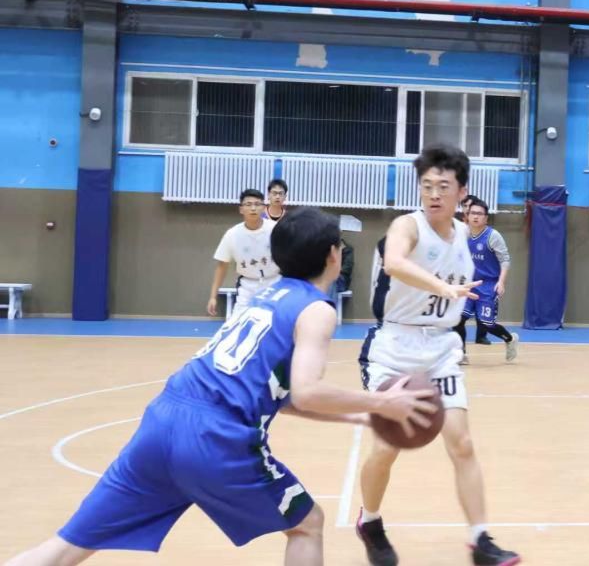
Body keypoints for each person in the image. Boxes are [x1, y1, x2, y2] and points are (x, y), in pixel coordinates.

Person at [4, 207, 438, 564]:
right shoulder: (317, 309)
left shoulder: (263, 297)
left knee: (67, 547)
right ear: (333, 256)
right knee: (307, 524)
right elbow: (307, 391)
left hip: (162, 420)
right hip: (215, 437)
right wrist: (383, 403)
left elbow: (281, 396)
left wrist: (359, 416)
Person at [356, 143, 520, 566]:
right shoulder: (407, 226)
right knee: (387, 448)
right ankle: (370, 521)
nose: (433, 194)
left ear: (461, 192)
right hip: (394, 347)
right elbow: (393, 262)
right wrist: (443, 287)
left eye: (443, 186)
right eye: (426, 185)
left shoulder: (464, 235)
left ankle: (480, 540)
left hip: (440, 348)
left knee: (461, 442)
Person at [453, 197, 519, 364]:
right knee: (458, 318)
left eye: (480, 214)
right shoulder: (462, 234)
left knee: (486, 323)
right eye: (472, 213)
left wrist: (501, 282)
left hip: (488, 285)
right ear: (467, 216)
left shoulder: (492, 236)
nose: (475, 216)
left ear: (486, 218)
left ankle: (510, 339)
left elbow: (505, 260)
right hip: (468, 284)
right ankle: (461, 354)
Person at [206, 188, 279, 318]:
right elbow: (222, 266)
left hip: (274, 282)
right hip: (247, 285)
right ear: (241, 209)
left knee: (276, 321)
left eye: (257, 204)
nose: (253, 208)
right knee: (237, 322)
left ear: (263, 208)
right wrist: (213, 296)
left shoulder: (276, 229)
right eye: (248, 204)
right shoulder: (232, 234)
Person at [327, 238, 354, 304]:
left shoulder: (348, 249)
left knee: (332, 279)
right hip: (327, 277)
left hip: (341, 279)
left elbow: (347, 267)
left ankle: (329, 306)